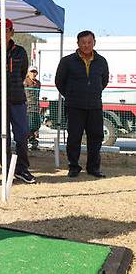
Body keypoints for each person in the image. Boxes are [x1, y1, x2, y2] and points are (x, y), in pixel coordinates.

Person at [0, 18, 36, 184]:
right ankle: (7, 169)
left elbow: (22, 72)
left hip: (17, 99)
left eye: (5, 30)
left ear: (12, 32)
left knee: (23, 134)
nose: (1, 34)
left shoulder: (21, 52)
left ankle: (22, 169)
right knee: (2, 138)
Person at [55, 30, 109, 178]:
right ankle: (73, 166)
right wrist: (72, 94)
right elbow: (59, 82)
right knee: (74, 137)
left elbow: (103, 81)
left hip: (95, 105)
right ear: (78, 43)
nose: (86, 45)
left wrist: (92, 92)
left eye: (89, 42)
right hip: (74, 106)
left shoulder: (102, 61)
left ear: (94, 43)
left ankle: (93, 168)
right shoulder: (67, 61)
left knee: (96, 137)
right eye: (83, 42)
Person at [24, 66, 42, 149]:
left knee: (37, 124)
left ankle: (32, 139)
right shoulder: (24, 82)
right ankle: (28, 140)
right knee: (30, 125)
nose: (34, 74)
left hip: (35, 107)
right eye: (32, 72)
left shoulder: (38, 83)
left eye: (35, 72)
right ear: (28, 73)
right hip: (27, 107)